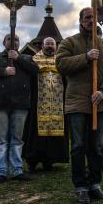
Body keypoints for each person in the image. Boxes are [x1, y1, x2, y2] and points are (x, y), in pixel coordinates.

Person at [56, 7, 103, 204]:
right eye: (87, 17)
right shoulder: (69, 42)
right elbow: (60, 64)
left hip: (100, 104)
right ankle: (81, 187)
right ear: (81, 20)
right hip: (77, 103)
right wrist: (85, 57)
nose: (91, 20)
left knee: (97, 146)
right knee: (78, 146)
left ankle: (95, 184)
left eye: (94, 17)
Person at [0, 34, 39, 184]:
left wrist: (18, 58)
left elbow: (35, 71)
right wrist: (3, 71)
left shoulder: (26, 58)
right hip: (1, 103)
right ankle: (1, 171)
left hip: (20, 104)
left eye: (16, 40)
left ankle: (17, 170)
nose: (13, 42)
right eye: (10, 39)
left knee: (17, 139)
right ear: (4, 42)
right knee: (1, 139)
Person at [23, 37, 69, 173]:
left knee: (55, 133)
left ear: (56, 47)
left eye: (52, 44)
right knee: (35, 132)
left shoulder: (61, 61)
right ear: (42, 46)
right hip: (38, 103)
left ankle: (50, 160)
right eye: (47, 44)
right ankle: (32, 161)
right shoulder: (34, 60)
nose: (49, 46)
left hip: (58, 102)